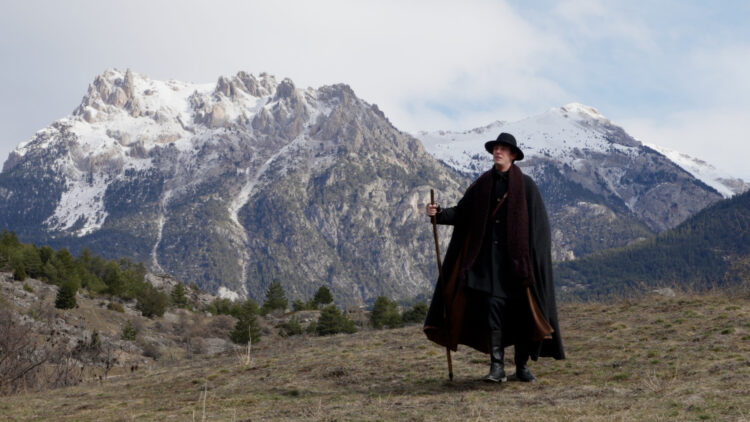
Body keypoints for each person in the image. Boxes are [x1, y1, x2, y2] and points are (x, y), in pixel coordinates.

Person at [424, 132, 565, 382]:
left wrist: (535, 262)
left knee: (522, 314)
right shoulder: (482, 184)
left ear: (513, 155)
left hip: (518, 265)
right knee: (493, 310)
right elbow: (463, 213)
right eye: (496, 148)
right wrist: (439, 214)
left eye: (503, 148)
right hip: (488, 265)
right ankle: (497, 367)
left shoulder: (527, 187)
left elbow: (539, 228)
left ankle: (520, 367)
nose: (498, 151)